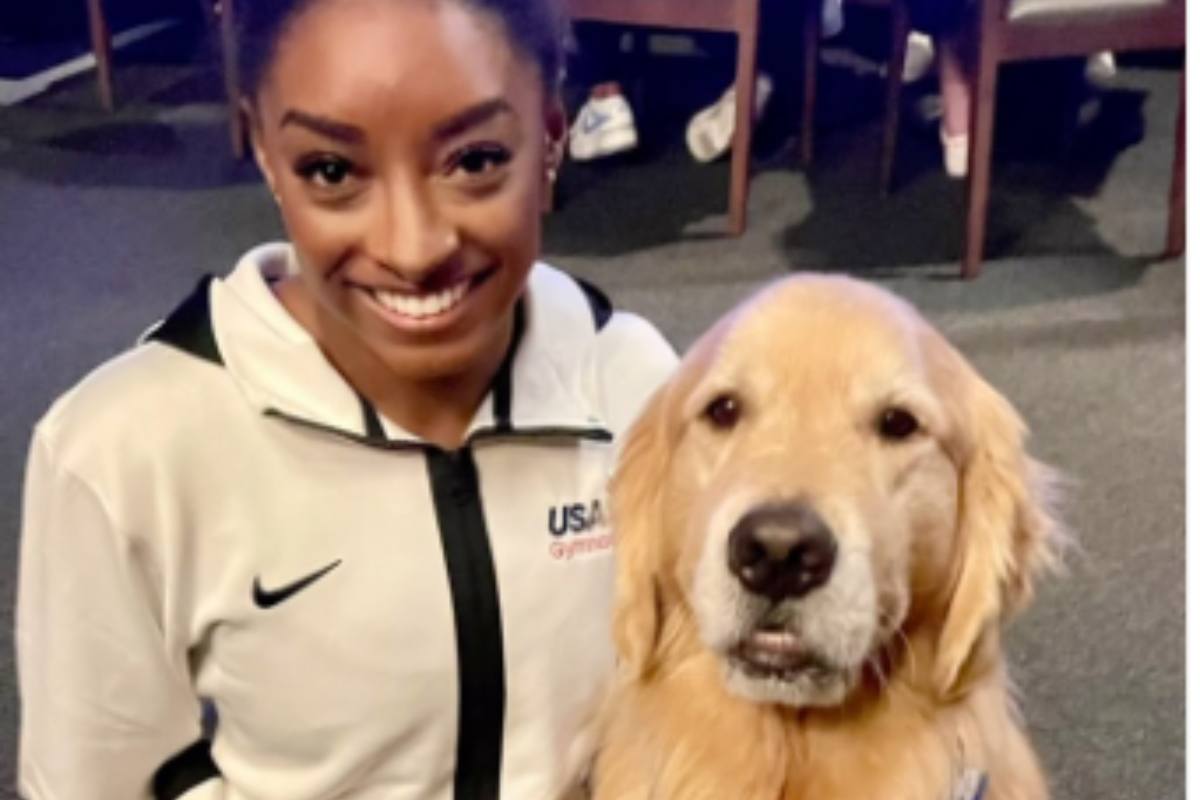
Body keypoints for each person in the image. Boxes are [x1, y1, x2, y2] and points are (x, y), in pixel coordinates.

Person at [15, 0, 677, 797]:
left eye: (474, 160)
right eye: (332, 171)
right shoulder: (123, 451)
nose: (414, 248)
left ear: (552, 134)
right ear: (263, 149)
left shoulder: (641, 387)